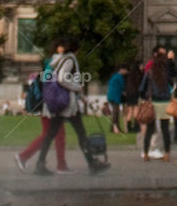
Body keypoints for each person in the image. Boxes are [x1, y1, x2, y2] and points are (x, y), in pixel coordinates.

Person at [34, 38, 107, 176]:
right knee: (81, 134)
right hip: (68, 105)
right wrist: (77, 87)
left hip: (61, 103)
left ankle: (40, 163)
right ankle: (92, 164)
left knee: (51, 134)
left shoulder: (60, 60)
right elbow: (63, 79)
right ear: (76, 49)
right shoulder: (69, 60)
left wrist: (81, 95)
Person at [140, 50, 172, 161]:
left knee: (149, 130)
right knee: (165, 129)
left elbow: (142, 88)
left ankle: (145, 153)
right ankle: (167, 153)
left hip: (153, 102)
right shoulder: (166, 72)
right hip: (164, 102)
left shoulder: (149, 72)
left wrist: (144, 98)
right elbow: (171, 84)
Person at [106, 64, 128, 135]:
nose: (126, 72)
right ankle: (115, 129)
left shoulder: (114, 76)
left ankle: (115, 128)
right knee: (116, 113)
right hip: (115, 97)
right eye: (125, 70)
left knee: (116, 113)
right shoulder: (119, 77)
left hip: (111, 96)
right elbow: (122, 86)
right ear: (122, 70)